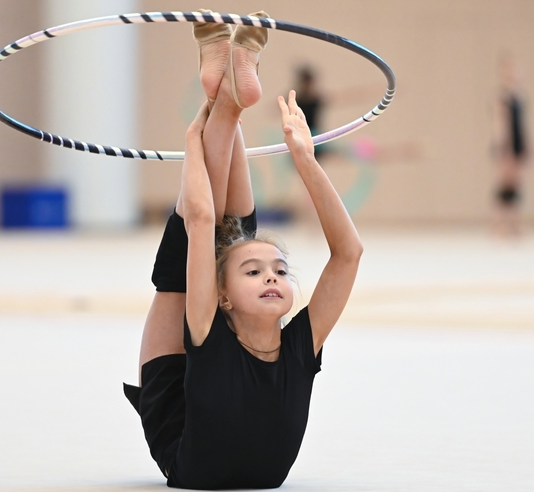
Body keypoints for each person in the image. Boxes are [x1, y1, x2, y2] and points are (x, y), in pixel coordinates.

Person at [123, 10, 363, 489]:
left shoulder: (209, 322)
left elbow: (199, 220)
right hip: (212, 336)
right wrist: (304, 158)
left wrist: (194, 143)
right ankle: (228, 98)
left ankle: (227, 98)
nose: (274, 275)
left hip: (173, 412)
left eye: (276, 271)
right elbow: (348, 255)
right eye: (267, 272)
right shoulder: (300, 348)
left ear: (220, 298)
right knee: (236, 239)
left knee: (189, 256)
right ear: (224, 297)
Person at [492, 56, 529, 238]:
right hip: (507, 145)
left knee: (516, 186)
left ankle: (514, 224)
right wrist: (503, 147)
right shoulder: (502, 97)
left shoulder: (519, 97)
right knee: (504, 186)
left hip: (518, 143)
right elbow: (500, 124)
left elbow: (523, 125)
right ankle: (498, 224)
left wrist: (529, 146)